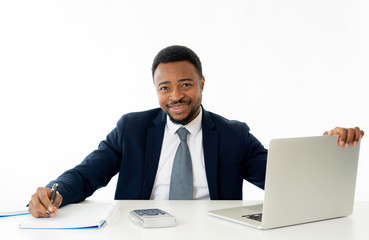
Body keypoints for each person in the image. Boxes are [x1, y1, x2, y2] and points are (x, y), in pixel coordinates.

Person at [28, 45, 364, 218]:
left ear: (201, 84)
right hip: (140, 231)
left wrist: (328, 150)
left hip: (213, 233)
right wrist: (55, 192)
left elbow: (282, 178)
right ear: (156, 90)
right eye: (165, 88)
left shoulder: (234, 135)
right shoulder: (131, 128)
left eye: (185, 84)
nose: (175, 96)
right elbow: (87, 174)